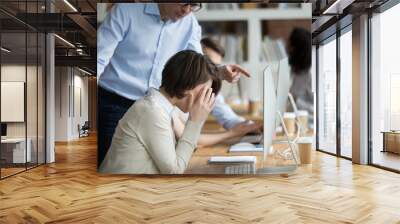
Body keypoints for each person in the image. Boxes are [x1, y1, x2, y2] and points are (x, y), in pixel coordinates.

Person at [97, 3, 255, 167]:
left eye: (194, 5)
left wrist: (220, 72)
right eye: (184, 3)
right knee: (114, 164)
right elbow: (99, 59)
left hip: (159, 106)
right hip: (115, 104)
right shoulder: (125, 12)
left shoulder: (190, 24)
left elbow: (199, 70)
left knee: (149, 166)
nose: (187, 10)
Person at [99, 50, 221, 174]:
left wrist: (195, 119)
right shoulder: (152, 111)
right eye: (205, 91)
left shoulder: (165, 108)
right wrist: (195, 121)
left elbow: (187, 147)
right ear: (189, 85)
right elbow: (174, 172)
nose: (205, 98)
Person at [172, 37, 262, 147]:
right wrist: (230, 134)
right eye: (209, 64)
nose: (213, 71)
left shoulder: (210, 91)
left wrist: (252, 126)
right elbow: (186, 138)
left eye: (216, 66)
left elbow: (229, 118)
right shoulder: (177, 95)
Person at [288, 28, 313, 118]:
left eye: (292, 47)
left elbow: (315, 110)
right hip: (292, 119)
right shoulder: (295, 71)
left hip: (307, 122)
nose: (289, 50)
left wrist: (296, 100)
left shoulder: (311, 74)